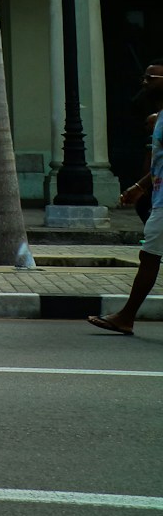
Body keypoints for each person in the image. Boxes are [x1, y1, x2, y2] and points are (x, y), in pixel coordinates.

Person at [88, 61, 163, 337]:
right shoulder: (160, 117)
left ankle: (126, 316)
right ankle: (126, 316)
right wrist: (139, 187)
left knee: (150, 256)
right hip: (158, 198)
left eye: (150, 78)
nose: (144, 83)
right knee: (150, 256)